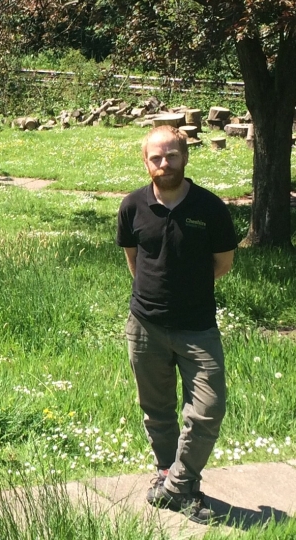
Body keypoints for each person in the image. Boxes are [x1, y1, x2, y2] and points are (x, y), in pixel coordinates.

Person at [116, 125, 237, 524]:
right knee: (157, 410)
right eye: (156, 157)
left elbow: (222, 264)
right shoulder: (132, 206)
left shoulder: (210, 208)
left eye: (171, 155)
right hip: (145, 324)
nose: (163, 163)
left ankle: (176, 485)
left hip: (197, 326)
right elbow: (135, 260)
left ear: (185, 157)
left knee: (208, 409)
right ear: (145, 161)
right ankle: (174, 480)